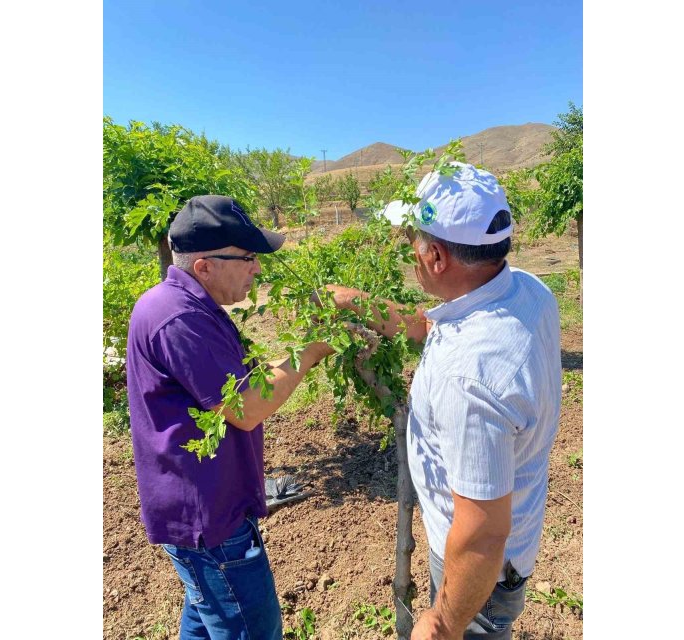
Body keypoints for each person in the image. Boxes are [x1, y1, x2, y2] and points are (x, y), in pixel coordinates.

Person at [327, 163, 562, 640]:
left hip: (478, 579)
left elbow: (481, 536)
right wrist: (356, 302)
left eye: (413, 242)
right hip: (498, 556)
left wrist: (442, 622)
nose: (410, 252)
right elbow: (437, 326)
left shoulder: (469, 377)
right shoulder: (524, 290)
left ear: (435, 256)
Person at [125, 194, 334, 640]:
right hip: (209, 516)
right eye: (247, 258)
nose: (257, 269)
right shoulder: (180, 318)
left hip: (205, 503)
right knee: (251, 629)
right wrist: (313, 349)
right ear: (205, 266)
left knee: (205, 619)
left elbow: (241, 384)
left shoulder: (187, 305)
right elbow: (246, 408)